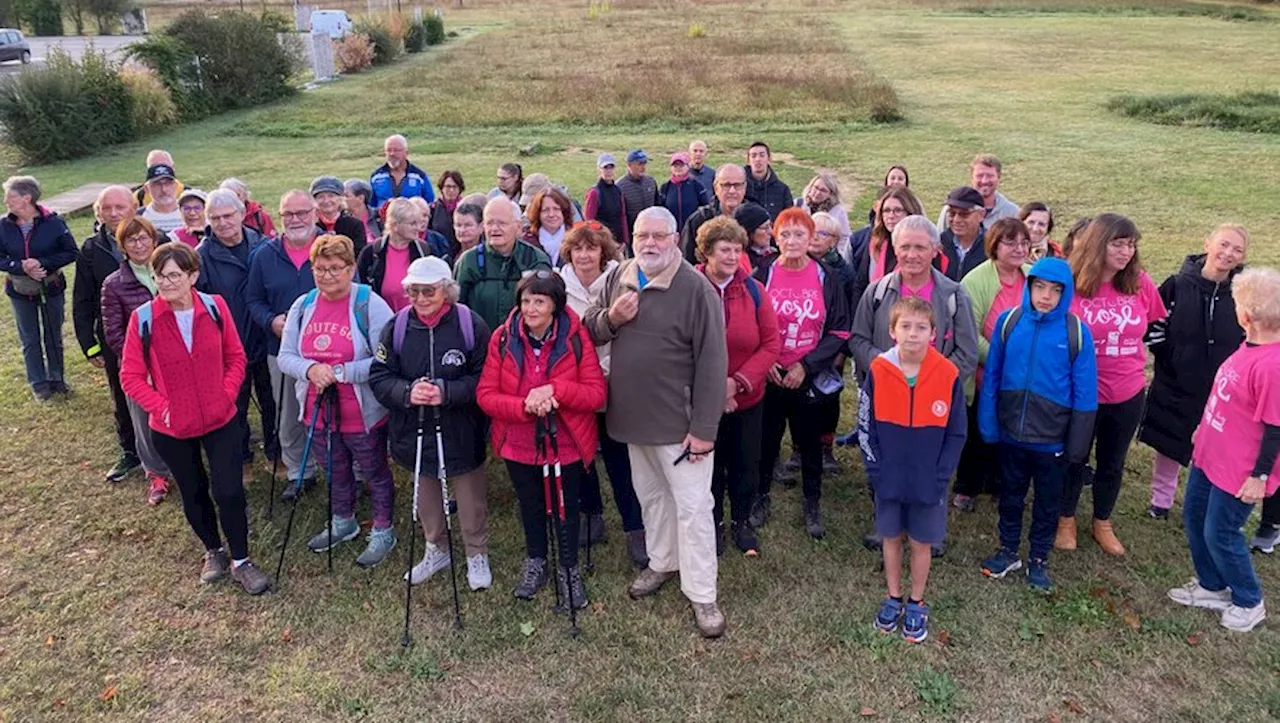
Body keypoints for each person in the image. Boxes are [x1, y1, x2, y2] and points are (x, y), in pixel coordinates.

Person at [583, 206, 729, 638]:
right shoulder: (619, 276)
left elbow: (712, 362)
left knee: (694, 509)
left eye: (659, 236)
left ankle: (703, 594)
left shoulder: (696, 290)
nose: (650, 243)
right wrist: (613, 318)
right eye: (643, 235)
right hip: (632, 417)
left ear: (675, 241)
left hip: (680, 425)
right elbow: (588, 326)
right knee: (651, 498)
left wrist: (704, 430)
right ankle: (662, 562)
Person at [118, 242, 269, 595]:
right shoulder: (143, 319)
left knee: (229, 491)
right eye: (159, 276)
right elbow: (131, 376)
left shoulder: (216, 308)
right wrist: (162, 407)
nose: (166, 284)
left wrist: (225, 394)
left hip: (221, 418)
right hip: (172, 428)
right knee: (193, 491)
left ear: (193, 276)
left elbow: (236, 356)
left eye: (174, 275)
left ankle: (241, 561)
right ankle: (213, 551)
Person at [850, 216, 980, 553]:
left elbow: (966, 351)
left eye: (920, 247)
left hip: (934, 404)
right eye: (904, 246)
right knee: (886, 458)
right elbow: (859, 340)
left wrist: (934, 381)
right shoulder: (877, 292)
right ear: (894, 249)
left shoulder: (954, 295)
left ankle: (928, 530)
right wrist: (886, 370)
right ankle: (887, 526)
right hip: (888, 399)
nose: (911, 254)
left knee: (931, 463)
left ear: (935, 250)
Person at [478, 271, 606, 607]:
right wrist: (525, 405)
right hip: (518, 441)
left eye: (540, 301)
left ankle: (569, 568)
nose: (531, 309)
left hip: (565, 443)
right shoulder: (503, 338)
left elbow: (595, 394)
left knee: (566, 509)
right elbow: (486, 395)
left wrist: (556, 391)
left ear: (555, 304)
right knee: (530, 506)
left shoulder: (576, 338)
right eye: (526, 301)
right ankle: (536, 560)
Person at [1167, 267, 1280, 633]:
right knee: (1196, 518)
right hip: (1211, 454)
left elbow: (1277, 428)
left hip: (1241, 469)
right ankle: (1212, 585)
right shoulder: (1250, 344)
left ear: (1246, 316)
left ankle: (1249, 599)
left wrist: (1259, 476)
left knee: (1222, 532)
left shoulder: (1273, 366)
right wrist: (1203, 426)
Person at [370, 256, 495, 590]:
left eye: (428, 291)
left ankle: (475, 552)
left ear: (447, 291)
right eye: (413, 292)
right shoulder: (396, 327)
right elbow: (380, 376)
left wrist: (447, 391)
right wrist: (408, 391)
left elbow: (485, 376)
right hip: (413, 427)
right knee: (425, 489)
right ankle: (436, 548)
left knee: (469, 493)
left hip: (462, 426)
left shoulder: (470, 324)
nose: (421, 299)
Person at [977, 258, 1097, 592]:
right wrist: (989, 420)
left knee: (1047, 503)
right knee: (1011, 496)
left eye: (1055, 290)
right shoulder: (1009, 322)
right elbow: (993, 376)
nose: (1046, 296)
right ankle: (1008, 550)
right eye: (1039, 287)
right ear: (1029, 287)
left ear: (1066, 293)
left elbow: (1085, 394)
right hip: (1012, 435)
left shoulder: (1076, 333)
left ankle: (1039, 558)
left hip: (1052, 442)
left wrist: (1077, 445)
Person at [277, 234, 398, 568]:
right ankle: (343, 519)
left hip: (362, 411)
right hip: (316, 409)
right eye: (319, 268)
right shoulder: (303, 306)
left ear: (351, 268)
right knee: (334, 468)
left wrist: (342, 372)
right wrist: (312, 368)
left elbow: (385, 360)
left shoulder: (368, 303)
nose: (327, 275)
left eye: (334, 268)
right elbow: (286, 357)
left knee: (373, 469)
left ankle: (384, 527)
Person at [1058, 214, 1167, 556]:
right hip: (1080, 391)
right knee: (1074, 457)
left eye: (1131, 245)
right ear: (1097, 244)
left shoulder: (1140, 283)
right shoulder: (1071, 284)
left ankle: (1102, 521)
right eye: (1117, 244)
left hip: (1128, 391)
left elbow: (1155, 325)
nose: (1126, 252)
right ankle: (1066, 519)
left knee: (1113, 460)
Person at [858, 297, 966, 643]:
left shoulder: (948, 374)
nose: (913, 334)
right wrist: (875, 470)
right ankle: (892, 596)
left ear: (934, 334)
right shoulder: (878, 370)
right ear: (892, 331)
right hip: (888, 476)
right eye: (905, 326)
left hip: (927, 479)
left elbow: (956, 431)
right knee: (891, 538)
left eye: (921, 328)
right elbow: (865, 425)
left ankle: (916, 601)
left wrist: (941, 474)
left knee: (921, 543)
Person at [750, 208, 851, 539]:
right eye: (784, 234)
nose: (792, 241)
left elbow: (838, 331)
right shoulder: (761, 274)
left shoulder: (827, 278)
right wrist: (765, 364)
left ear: (812, 238)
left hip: (807, 373)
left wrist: (805, 366)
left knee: (808, 443)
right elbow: (746, 323)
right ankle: (760, 496)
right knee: (767, 440)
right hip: (771, 373)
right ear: (774, 239)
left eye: (799, 234)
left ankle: (812, 502)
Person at [1138, 224, 1248, 519]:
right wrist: (1169, 358)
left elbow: (1249, 336)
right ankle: (1161, 499)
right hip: (1175, 380)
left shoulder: (1242, 294)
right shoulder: (1177, 285)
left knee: (1215, 446)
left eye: (1237, 250)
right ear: (1207, 244)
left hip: (1224, 386)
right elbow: (1153, 326)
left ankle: (1202, 502)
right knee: (1170, 440)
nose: (1228, 253)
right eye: (1223, 245)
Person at [556, 221, 648, 567]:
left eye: (591, 248)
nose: (583, 255)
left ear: (603, 251)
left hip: (616, 381)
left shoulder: (621, 279)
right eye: (577, 248)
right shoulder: (558, 283)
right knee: (581, 455)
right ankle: (591, 513)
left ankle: (635, 526)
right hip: (577, 383)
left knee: (619, 456)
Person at [695, 216, 779, 556]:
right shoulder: (690, 288)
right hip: (702, 402)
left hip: (747, 399)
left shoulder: (755, 291)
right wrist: (716, 390)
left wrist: (736, 384)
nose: (732, 257)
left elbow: (771, 344)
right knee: (709, 468)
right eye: (724, 250)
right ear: (706, 253)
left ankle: (741, 522)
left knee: (745, 464)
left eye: (737, 250)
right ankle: (712, 524)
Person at [953, 218, 1033, 511]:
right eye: (1010, 242)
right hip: (982, 373)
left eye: (1024, 242)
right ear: (994, 245)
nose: (1019, 248)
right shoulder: (974, 281)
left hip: (1022, 375)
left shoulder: (1032, 277)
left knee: (1013, 432)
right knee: (976, 432)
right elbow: (968, 335)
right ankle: (967, 487)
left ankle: (1002, 485)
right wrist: (1005, 359)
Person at [196, 189, 276, 474]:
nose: (223, 223)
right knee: (233, 405)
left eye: (228, 215)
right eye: (214, 218)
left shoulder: (264, 245)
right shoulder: (202, 256)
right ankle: (241, 459)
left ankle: (275, 453)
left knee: (272, 400)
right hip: (227, 346)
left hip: (265, 338)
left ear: (242, 213)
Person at [247, 190, 319, 500]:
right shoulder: (264, 254)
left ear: (314, 214)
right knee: (288, 415)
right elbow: (252, 299)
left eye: (301, 212)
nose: (295, 219)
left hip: (327, 349)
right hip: (281, 351)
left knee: (334, 413)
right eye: (288, 214)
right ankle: (300, 472)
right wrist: (271, 321)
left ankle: (347, 472)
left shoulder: (332, 248)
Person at [101, 217, 175, 505]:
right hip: (141, 368)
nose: (139, 244)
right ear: (122, 246)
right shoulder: (114, 284)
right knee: (145, 422)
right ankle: (156, 473)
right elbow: (114, 333)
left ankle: (184, 465)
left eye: (144, 237)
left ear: (154, 240)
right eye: (131, 240)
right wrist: (145, 363)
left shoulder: (171, 272)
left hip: (178, 363)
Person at [73, 185, 140, 480]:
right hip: (114, 338)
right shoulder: (91, 250)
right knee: (122, 393)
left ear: (134, 208)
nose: (113, 213)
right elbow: (82, 301)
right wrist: (90, 345)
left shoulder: (154, 239)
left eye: (120, 207)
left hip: (156, 334)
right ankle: (130, 450)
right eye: (106, 208)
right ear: (97, 212)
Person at [2, 176, 77, 401]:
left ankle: (57, 379)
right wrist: (20, 266)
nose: (6, 200)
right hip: (19, 290)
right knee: (30, 337)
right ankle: (38, 384)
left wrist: (42, 263)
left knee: (53, 334)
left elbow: (71, 252)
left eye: (10, 196)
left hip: (51, 287)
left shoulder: (53, 222)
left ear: (27, 198)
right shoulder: (3, 225)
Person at [455, 197, 553, 331]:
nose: (495, 229)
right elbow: (457, 309)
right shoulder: (469, 261)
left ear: (518, 227)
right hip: (481, 343)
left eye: (502, 223)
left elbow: (548, 307)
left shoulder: (534, 259)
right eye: (490, 223)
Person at [807, 211, 855, 473]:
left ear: (834, 240)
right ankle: (800, 449)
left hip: (832, 343)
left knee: (829, 396)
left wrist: (840, 351)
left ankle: (826, 448)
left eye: (821, 233)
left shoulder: (843, 272)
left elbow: (848, 310)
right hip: (806, 341)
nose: (814, 237)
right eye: (811, 230)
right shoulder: (800, 263)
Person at [851, 186, 926, 306]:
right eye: (886, 210)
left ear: (910, 212)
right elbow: (860, 284)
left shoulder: (925, 248)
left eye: (897, 210)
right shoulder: (875, 244)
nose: (891, 215)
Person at [357, 198, 435, 313]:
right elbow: (360, 289)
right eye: (412, 223)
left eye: (418, 223)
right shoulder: (371, 253)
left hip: (416, 320)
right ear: (395, 225)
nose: (418, 228)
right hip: (380, 318)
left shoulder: (424, 250)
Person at [682, 164, 748, 264]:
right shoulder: (699, 220)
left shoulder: (755, 218)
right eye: (726, 185)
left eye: (737, 185)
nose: (732, 191)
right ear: (716, 188)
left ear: (745, 187)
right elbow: (687, 262)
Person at [936, 154, 1018, 230]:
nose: (984, 181)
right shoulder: (952, 210)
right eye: (979, 176)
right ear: (972, 177)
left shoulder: (1012, 213)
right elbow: (939, 241)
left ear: (999, 177)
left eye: (990, 176)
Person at [796, 171, 852, 261]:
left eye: (823, 190)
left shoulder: (837, 211)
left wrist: (838, 255)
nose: (817, 192)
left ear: (830, 194)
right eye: (816, 188)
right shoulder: (798, 204)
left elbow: (845, 237)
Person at [311, 176, 370, 259]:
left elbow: (360, 255)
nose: (326, 201)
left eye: (331, 196)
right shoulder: (311, 226)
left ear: (340, 199)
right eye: (321, 197)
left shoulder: (354, 225)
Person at [370, 134, 435, 209]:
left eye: (396, 150)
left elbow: (430, 203)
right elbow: (370, 205)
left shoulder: (419, 177)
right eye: (389, 150)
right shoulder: (376, 177)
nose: (392, 154)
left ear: (406, 153)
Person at [939, 187, 988, 282]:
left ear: (981, 215)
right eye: (952, 213)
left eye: (964, 214)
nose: (956, 220)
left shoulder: (992, 246)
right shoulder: (939, 243)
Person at [583, 154, 629, 253]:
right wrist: (605, 242)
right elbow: (589, 221)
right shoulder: (594, 193)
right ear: (599, 170)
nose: (608, 171)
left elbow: (622, 215)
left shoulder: (618, 190)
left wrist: (625, 240)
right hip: (602, 244)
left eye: (611, 167)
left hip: (619, 244)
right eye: (605, 168)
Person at [659, 151, 710, 233]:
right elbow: (660, 210)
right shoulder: (665, 187)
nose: (678, 168)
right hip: (671, 232)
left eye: (681, 165)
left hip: (693, 231)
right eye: (675, 165)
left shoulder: (697, 185)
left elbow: (706, 208)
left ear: (688, 166)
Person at [522, 188, 574, 263]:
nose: (551, 214)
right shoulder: (526, 242)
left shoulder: (575, 239)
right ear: (537, 214)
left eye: (556, 209)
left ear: (564, 212)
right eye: (545, 210)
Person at [744, 141, 792, 221]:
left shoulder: (783, 190)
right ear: (748, 161)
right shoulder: (739, 186)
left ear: (769, 159)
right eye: (753, 156)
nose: (758, 159)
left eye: (762, 155)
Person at [617, 149, 660, 236]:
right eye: (639, 164)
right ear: (629, 165)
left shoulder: (650, 182)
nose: (643, 167)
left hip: (651, 231)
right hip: (632, 234)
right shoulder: (620, 186)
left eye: (644, 164)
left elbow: (657, 205)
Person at [139, 163, 185, 236]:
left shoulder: (192, 213)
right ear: (146, 189)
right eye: (157, 184)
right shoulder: (139, 217)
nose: (164, 190)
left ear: (176, 186)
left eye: (168, 183)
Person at [429, 170, 465, 255]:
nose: (451, 190)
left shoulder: (466, 208)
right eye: (448, 187)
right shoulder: (432, 210)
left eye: (455, 187)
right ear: (442, 188)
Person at [734, 202, 776, 272]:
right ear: (749, 232)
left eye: (770, 226)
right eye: (765, 228)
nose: (770, 232)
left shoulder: (776, 253)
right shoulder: (739, 260)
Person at [343, 179, 381, 248]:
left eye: (346, 196)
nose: (342, 199)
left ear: (361, 198)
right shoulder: (343, 219)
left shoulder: (378, 216)